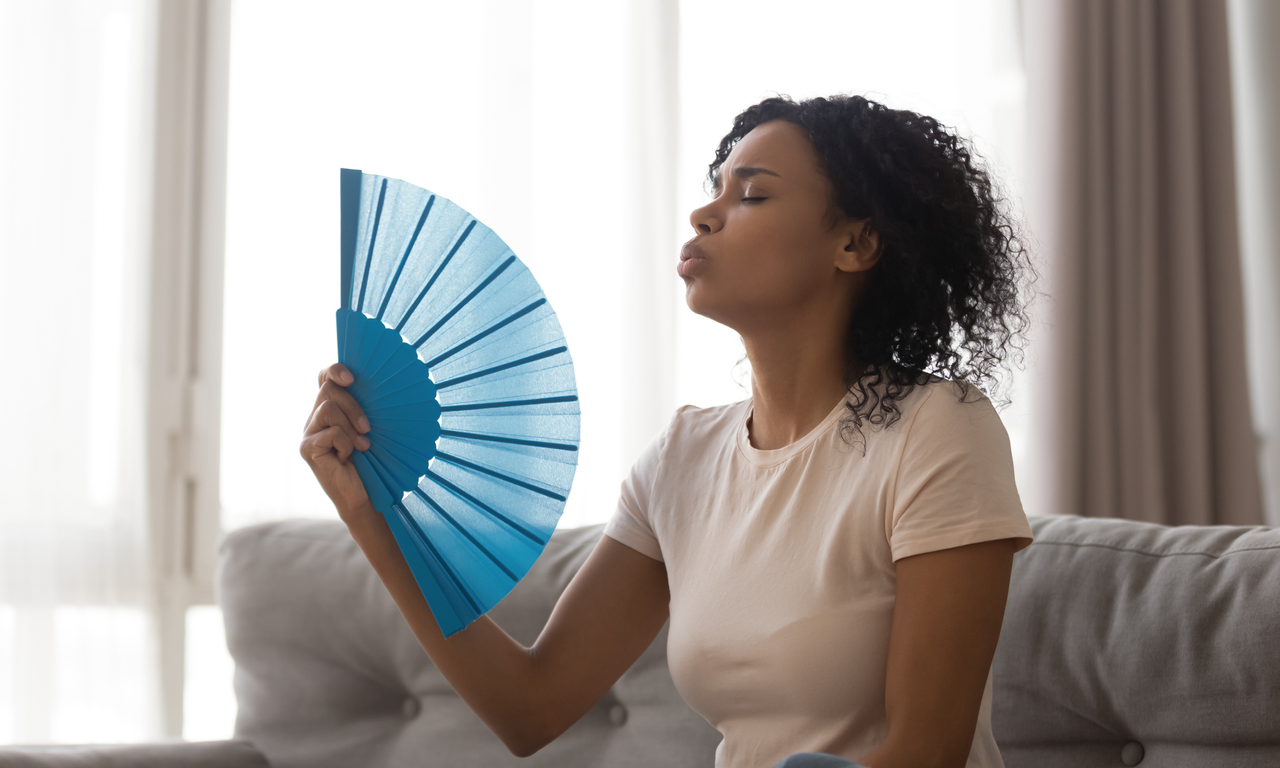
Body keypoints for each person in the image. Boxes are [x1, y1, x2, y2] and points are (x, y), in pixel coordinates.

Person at [300, 94, 1037, 768]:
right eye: (713, 189)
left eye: (750, 194)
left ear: (855, 244)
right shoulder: (682, 459)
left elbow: (926, 752)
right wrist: (373, 512)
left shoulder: (939, 430)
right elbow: (528, 706)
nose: (703, 215)